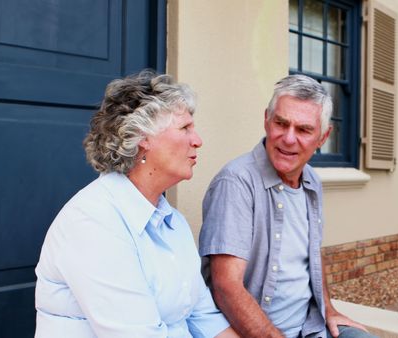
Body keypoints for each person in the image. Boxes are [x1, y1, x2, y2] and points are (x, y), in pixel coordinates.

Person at [35, 70, 238, 338]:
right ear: (143, 138)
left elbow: (204, 318)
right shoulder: (93, 222)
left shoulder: (172, 222)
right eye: (185, 128)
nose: (197, 140)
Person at [199, 74, 375, 338]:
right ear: (267, 120)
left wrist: (329, 309)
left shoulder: (312, 181)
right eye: (281, 123)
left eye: (304, 130)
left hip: (309, 328)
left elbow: (311, 257)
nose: (288, 139)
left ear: (323, 137)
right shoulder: (236, 182)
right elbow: (226, 287)